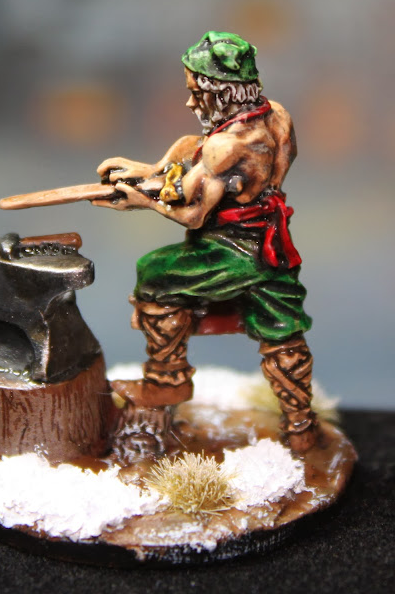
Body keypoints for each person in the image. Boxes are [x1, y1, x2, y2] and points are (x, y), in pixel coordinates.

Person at [95, 31, 317, 453]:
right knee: (283, 331)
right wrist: (146, 171)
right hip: (273, 247)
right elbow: (227, 172)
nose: (190, 103)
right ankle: (302, 427)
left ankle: (167, 379)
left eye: (196, 92)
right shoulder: (277, 117)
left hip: (232, 250)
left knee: (154, 272)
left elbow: (193, 214)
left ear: (222, 92)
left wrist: (142, 200)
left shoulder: (222, 146)